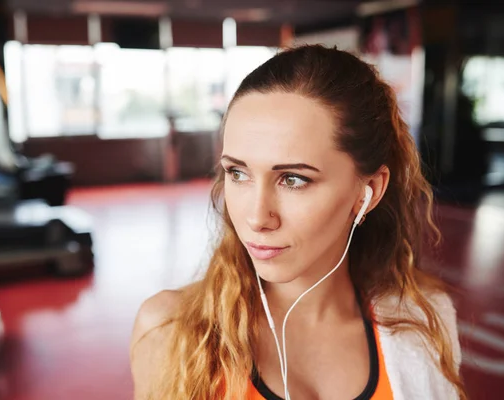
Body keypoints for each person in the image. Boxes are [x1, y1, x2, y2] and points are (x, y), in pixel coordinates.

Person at [130, 44, 465, 400]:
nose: (257, 217)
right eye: (238, 173)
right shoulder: (170, 330)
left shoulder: (425, 324)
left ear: (368, 191)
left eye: (293, 179)